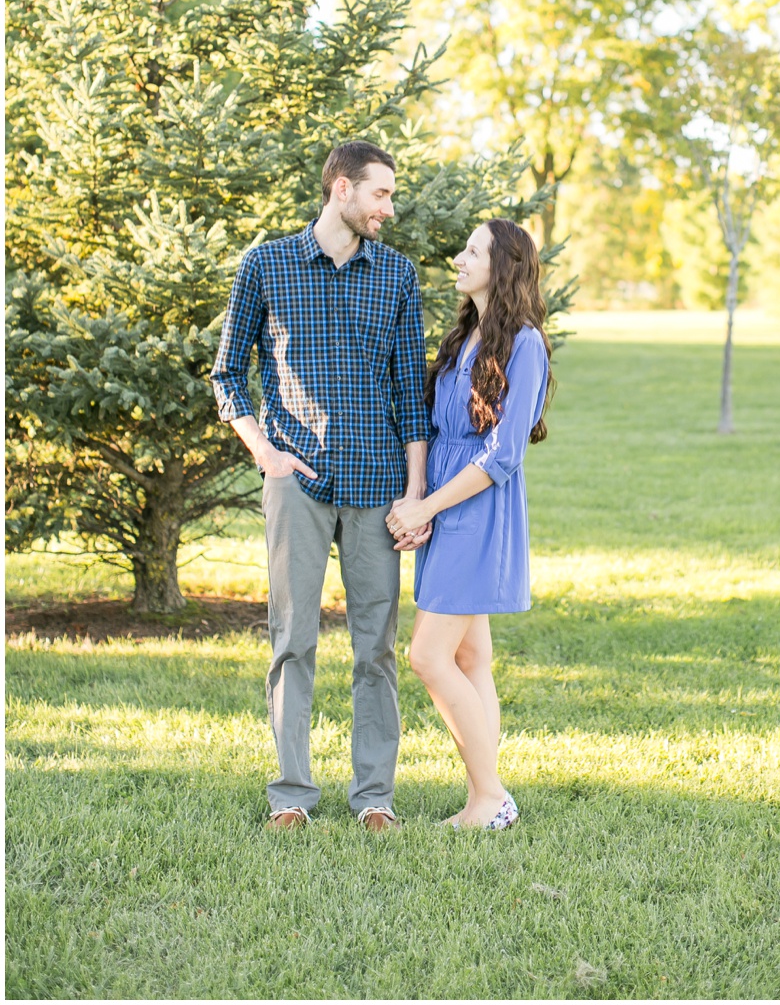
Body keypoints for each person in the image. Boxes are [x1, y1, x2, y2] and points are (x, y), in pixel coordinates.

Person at [212, 139, 435, 833]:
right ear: (342, 188)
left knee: (376, 647)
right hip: (297, 485)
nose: (388, 209)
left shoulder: (396, 274)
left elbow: (410, 394)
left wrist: (416, 493)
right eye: (381, 193)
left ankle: (374, 797)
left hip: (377, 488)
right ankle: (291, 795)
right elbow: (226, 376)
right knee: (292, 639)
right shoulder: (267, 264)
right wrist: (265, 452)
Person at [387, 217, 552, 830]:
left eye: (472, 251)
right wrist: (417, 499)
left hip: (479, 512)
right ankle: (486, 797)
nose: (459, 258)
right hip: (445, 506)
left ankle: (490, 798)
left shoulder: (525, 343)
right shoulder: (463, 339)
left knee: (429, 657)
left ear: (502, 266)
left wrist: (429, 507)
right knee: (472, 656)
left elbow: (505, 453)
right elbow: (436, 431)